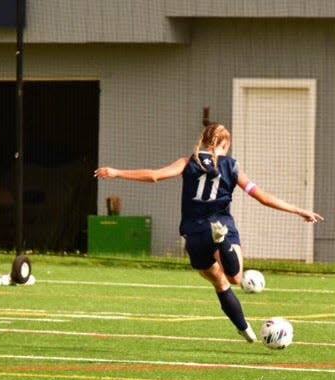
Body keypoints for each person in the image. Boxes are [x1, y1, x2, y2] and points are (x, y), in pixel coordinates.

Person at [95, 123, 323, 342]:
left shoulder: (188, 162)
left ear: (203, 140)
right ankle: (222, 242)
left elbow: (155, 176)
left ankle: (244, 329)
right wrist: (298, 210)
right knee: (235, 277)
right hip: (221, 222)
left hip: (194, 231)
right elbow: (261, 197)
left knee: (219, 282)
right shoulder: (232, 166)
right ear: (226, 144)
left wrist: (116, 172)